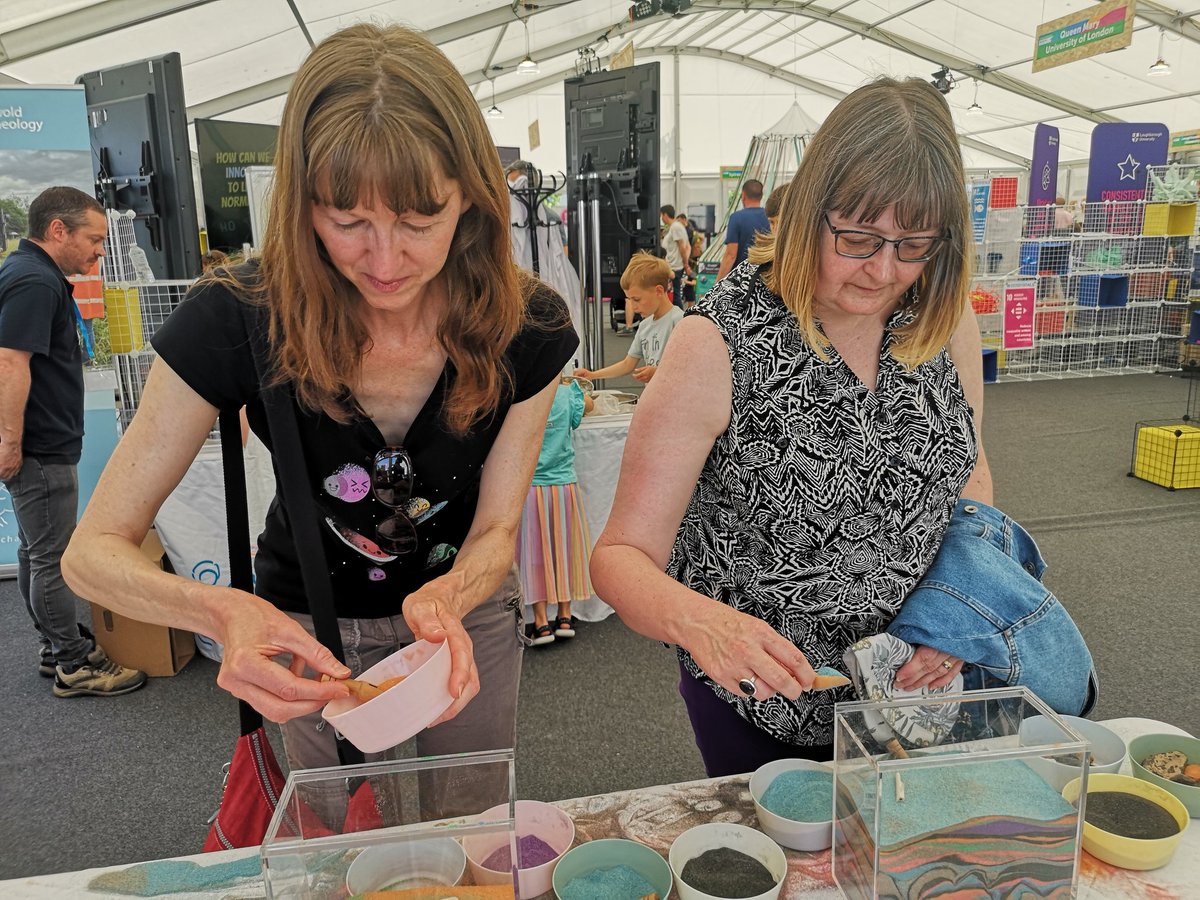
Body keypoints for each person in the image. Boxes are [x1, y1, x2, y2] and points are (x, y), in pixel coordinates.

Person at [61, 24, 577, 798]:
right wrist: (220, 613)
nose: (384, 260)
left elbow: (498, 528)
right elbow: (91, 551)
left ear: (472, 195)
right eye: (347, 222)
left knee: (473, 832)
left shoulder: (525, 325)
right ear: (302, 205)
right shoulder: (237, 315)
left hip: (466, 618)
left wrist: (453, 594)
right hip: (305, 622)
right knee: (338, 846)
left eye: (418, 221)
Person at [589, 77, 993, 777]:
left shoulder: (942, 318)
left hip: (913, 689)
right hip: (764, 700)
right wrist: (701, 623)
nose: (885, 271)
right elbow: (619, 557)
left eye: (914, 245)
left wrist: (961, 603)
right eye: (859, 238)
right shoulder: (717, 342)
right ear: (810, 211)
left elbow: (972, 473)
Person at [0, 186, 147, 698]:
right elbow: (10, 362)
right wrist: (11, 442)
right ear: (57, 230)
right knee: (53, 557)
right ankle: (73, 662)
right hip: (39, 446)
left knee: (37, 551)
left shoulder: (34, 277)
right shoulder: (34, 282)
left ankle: (54, 645)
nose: (100, 251)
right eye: (94, 239)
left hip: (40, 444)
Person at [517, 375, 594, 646]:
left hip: (529, 488)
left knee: (533, 553)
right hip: (563, 486)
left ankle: (539, 620)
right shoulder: (568, 395)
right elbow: (588, 405)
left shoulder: (522, 393)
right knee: (565, 550)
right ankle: (565, 613)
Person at [575, 252, 683, 386]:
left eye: (636, 299)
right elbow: (627, 364)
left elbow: (690, 366)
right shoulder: (645, 326)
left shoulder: (680, 321)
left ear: (659, 291)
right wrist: (592, 375)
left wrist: (658, 372)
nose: (633, 306)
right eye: (630, 299)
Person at [715, 178, 770, 281]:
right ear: (761, 196)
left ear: (743, 195)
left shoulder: (736, 218)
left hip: (742, 279)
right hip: (765, 278)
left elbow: (731, 255)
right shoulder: (770, 218)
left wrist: (717, 283)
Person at [660, 204, 691, 308]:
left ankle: (680, 318)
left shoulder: (675, 227)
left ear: (665, 215)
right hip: (674, 265)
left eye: (661, 215)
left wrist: (686, 264)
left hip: (675, 267)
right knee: (675, 294)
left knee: (675, 296)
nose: (661, 218)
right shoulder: (675, 227)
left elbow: (682, 246)